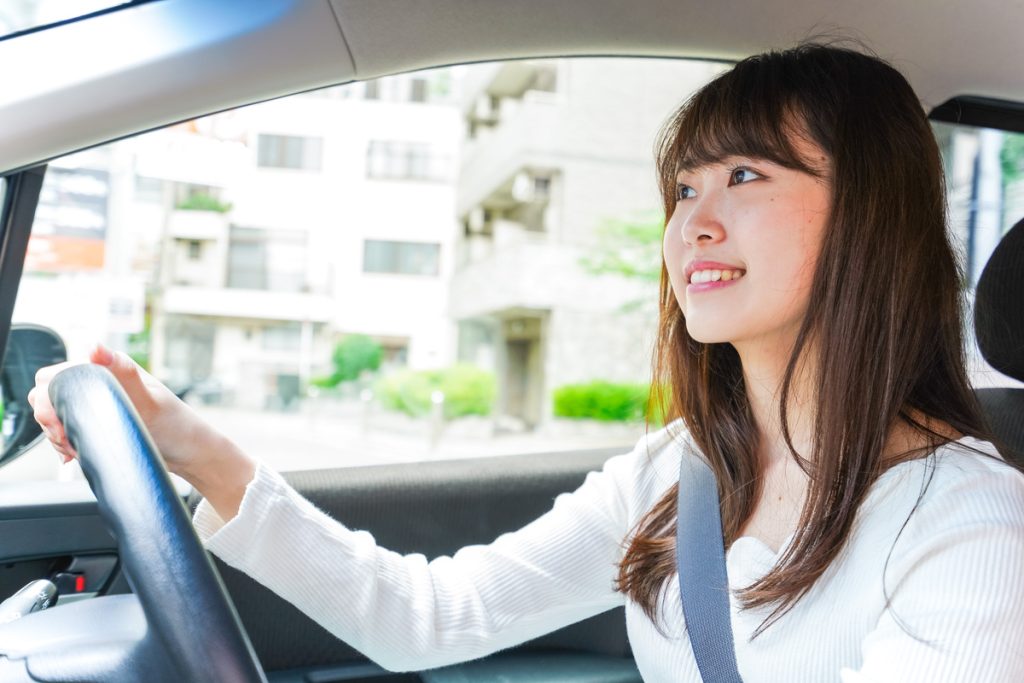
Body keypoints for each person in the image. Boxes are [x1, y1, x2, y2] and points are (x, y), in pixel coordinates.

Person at [29, 43, 1024, 681]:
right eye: (682, 188)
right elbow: (427, 614)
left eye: (747, 174)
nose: (695, 221)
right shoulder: (678, 474)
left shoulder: (969, 529)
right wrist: (188, 440)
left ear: (869, 216)